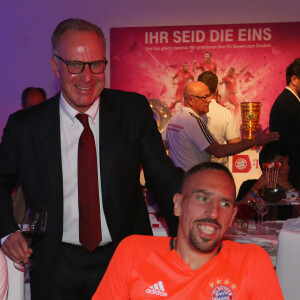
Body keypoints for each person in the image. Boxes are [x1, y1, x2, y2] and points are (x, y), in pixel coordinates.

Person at [0, 18, 180, 300]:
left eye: (97, 64)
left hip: (124, 257)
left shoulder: (132, 110)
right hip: (54, 263)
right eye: (75, 65)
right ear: (55, 65)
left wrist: (182, 235)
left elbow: (163, 178)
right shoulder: (25, 126)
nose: (87, 77)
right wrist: (6, 231)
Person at [93, 162, 284, 299]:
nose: (213, 213)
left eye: (224, 203)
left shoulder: (252, 262)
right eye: (202, 198)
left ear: (233, 216)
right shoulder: (134, 252)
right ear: (177, 204)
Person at [164, 81, 279, 172]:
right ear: (190, 100)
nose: (209, 100)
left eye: (209, 96)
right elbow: (218, 151)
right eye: (204, 97)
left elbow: (163, 144)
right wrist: (255, 141)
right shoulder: (193, 121)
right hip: (194, 183)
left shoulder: (175, 118)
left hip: (181, 182)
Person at [13, 87, 48, 224]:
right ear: (23, 107)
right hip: (24, 197)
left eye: (39, 107)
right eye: (31, 108)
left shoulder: (52, 132)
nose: (35, 112)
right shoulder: (15, 134)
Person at [236, 142, 294, 220]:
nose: (287, 168)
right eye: (281, 163)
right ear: (266, 166)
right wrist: (256, 188)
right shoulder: (249, 185)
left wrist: (289, 188)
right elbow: (237, 214)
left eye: (287, 163)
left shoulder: (291, 188)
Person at [198, 71, 241, 166]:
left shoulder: (187, 112)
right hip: (218, 171)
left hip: (192, 172)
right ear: (217, 91)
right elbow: (235, 144)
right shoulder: (225, 113)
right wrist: (253, 141)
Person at [270, 58, 300, 190]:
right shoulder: (287, 103)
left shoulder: (291, 101)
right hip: (291, 175)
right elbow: (286, 143)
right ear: (294, 79)